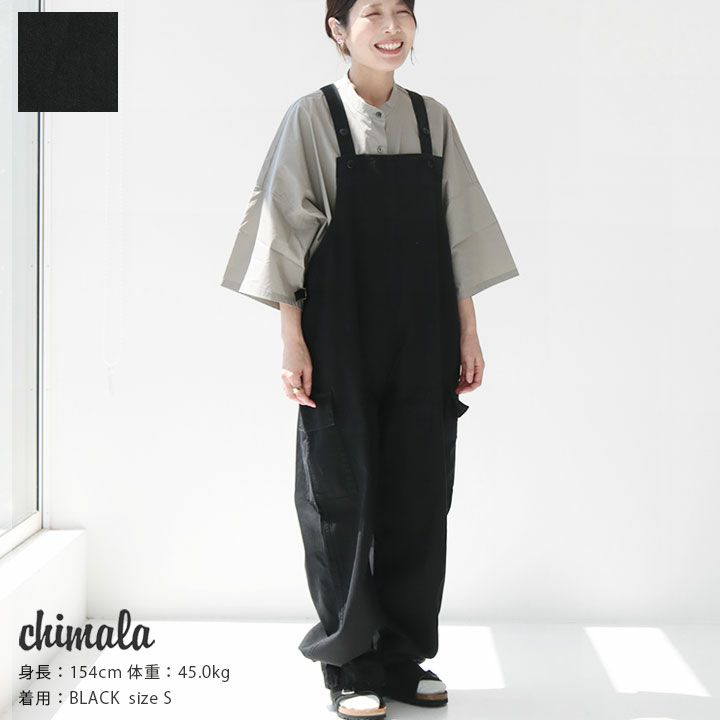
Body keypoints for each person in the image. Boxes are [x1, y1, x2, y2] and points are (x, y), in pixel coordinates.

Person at [221, 1, 519, 717]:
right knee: (340, 496)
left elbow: (458, 230)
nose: (391, 28)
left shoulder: (432, 119)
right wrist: (292, 339)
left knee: (420, 494)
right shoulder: (312, 117)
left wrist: (468, 331)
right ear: (338, 30)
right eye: (372, 14)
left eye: (402, 13)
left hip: (425, 332)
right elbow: (285, 231)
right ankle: (349, 662)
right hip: (338, 331)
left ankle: (402, 656)